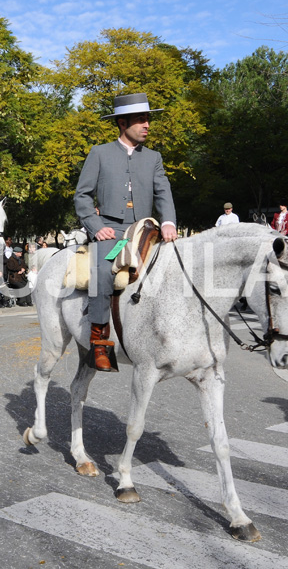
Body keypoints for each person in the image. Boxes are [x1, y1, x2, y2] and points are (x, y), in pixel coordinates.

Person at [74, 92, 177, 371]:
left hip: (145, 229)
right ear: (122, 123)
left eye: (148, 120)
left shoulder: (154, 157)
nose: (147, 125)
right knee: (104, 272)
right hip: (114, 232)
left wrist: (168, 221)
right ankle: (99, 341)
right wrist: (97, 227)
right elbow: (82, 197)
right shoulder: (99, 153)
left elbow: (163, 192)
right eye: (141, 120)